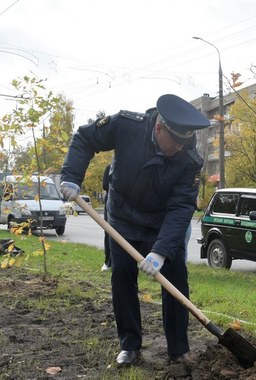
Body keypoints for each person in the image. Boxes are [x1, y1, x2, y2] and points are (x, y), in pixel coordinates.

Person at [60, 94, 210, 366]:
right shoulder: (126, 125)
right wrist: (71, 176)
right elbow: (85, 138)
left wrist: (161, 252)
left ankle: (178, 350)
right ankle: (130, 345)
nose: (178, 147)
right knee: (122, 278)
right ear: (158, 128)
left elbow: (181, 207)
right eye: (174, 141)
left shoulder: (189, 159)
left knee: (176, 281)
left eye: (184, 142)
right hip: (123, 218)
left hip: (163, 224)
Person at [101, 164, 111, 272]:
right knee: (109, 233)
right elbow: (105, 185)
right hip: (111, 204)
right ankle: (108, 262)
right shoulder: (109, 168)